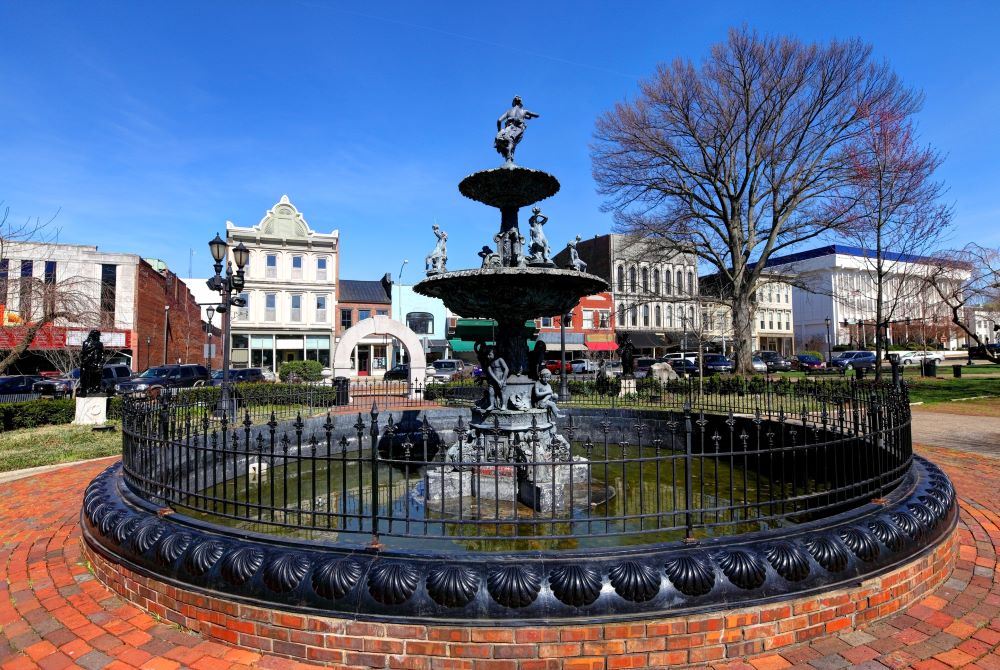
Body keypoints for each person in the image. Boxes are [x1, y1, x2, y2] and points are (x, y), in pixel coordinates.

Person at [495, 96, 539, 164]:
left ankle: (509, 158)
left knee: (508, 143)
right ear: (520, 103)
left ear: (513, 103)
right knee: (512, 143)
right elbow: (537, 115)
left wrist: (499, 131)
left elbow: (499, 121)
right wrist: (529, 115)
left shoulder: (508, 112)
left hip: (508, 129)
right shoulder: (524, 111)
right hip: (518, 129)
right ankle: (510, 158)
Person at [475, 341, 508, 410]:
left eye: (489, 354)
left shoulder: (500, 360)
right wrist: (497, 381)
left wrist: (503, 380)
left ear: (494, 353)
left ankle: (504, 405)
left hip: (501, 378)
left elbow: (506, 369)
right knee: (491, 391)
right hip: (494, 380)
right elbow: (490, 372)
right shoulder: (489, 363)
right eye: (487, 355)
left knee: (502, 392)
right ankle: (492, 405)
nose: (488, 356)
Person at [79, 330, 105, 397]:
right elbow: (84, 352)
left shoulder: (100, 344)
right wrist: (93, 347)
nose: (98, 337)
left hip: (97, 363)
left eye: (98, 336)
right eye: (97, 335)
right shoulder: (86, 343)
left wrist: (101, 361)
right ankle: (87, 389)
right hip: (88, 363)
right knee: (87, 377)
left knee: (97, 377)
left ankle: (96, 389)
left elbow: (102, 353)